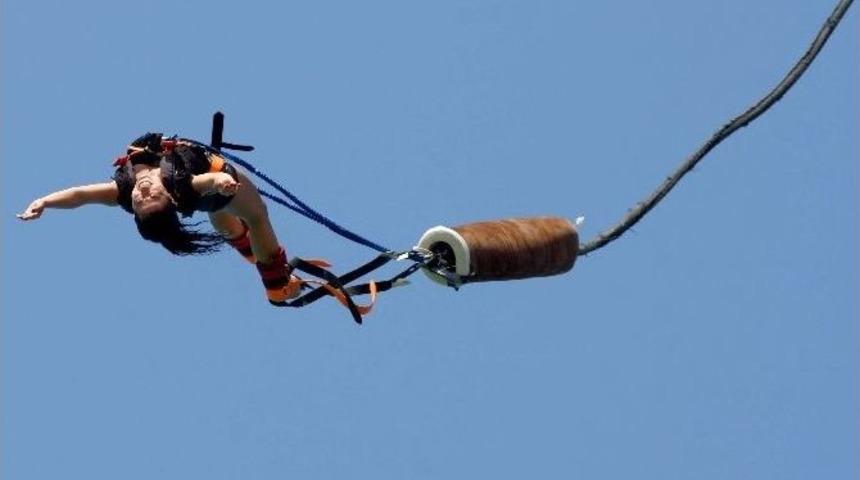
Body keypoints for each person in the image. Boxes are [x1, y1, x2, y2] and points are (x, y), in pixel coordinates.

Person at [17, 132, 299, 304]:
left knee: (222, 222)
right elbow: (208, 181)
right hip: (222, 189)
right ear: (171, 199)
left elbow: (80, 196)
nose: (143, 193)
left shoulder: (124, 190)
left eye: (140, 202)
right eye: (153, 197)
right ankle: (277, 285)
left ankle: (247, 249)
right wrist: (223, 181)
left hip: (213, 200)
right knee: (258, 216)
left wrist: (44, 202)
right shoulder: (179, 185)